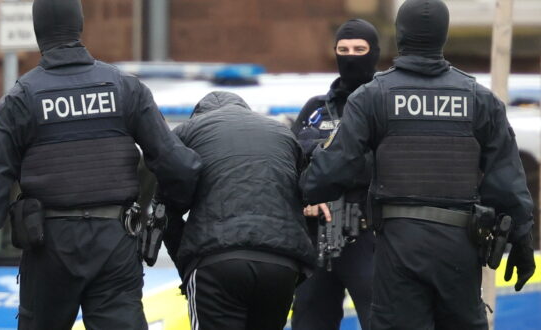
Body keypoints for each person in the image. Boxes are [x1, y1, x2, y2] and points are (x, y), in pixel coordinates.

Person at [0, 0, 202, 329]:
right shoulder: (126, 89)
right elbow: (178, 166)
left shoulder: (20, 101)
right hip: (115, 242)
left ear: (39, 34)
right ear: (79, 27)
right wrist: (167, 210)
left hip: (50, 247)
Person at [300, 0, 536, 329]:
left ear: (399, 35)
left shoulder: (372, 96)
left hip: (398, 246)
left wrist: (303, 187)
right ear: (443, 36)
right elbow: (507, 180)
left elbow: (334, 169)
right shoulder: (478, 98)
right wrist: (522, 239)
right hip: (460, 248)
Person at [160, 91, 316, 330]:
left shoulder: (187, 131)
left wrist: (187, 264)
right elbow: (305, 194)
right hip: (281, 264)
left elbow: (166, 209)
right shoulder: (282, 133)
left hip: (217, 262)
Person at [290, 19, 378, 330]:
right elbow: (291, 160)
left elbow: (379, 162)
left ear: (374, 52)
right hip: (317, 235)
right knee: (309, 319)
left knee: (380, 319)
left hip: (367, 235)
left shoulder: (384, 104)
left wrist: (323, 156)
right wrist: (306, 197)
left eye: (359, 49)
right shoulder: (316, 109)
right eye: (343, 50)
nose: (350, 56)